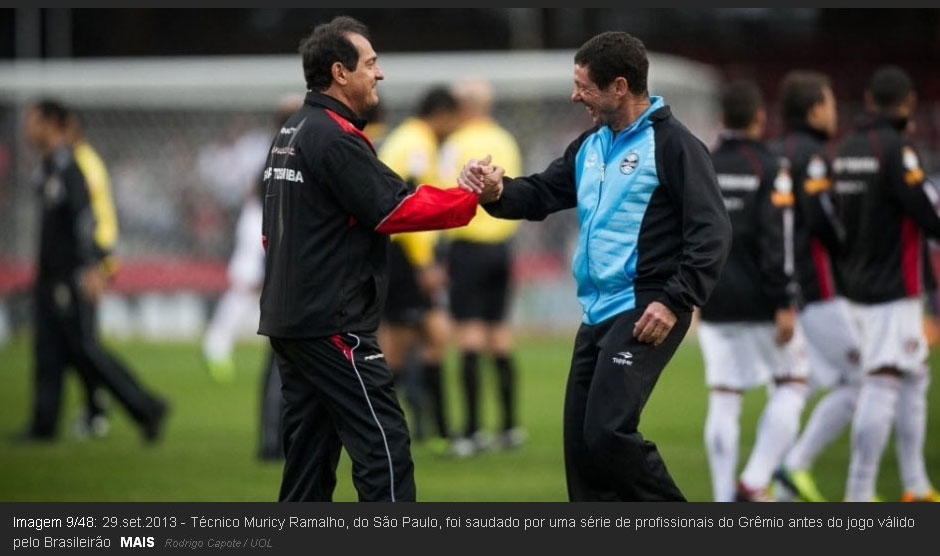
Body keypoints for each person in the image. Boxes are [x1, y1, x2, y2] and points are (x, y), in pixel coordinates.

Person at [459, 31, 731, 501]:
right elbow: (542, 193)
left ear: (619, 87)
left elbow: (712, 232)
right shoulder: (591, 145)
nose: (574, 94)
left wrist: (675, 299)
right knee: (582, 454)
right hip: (597, 312)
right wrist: (496, 192)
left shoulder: (674, 146)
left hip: (646, 308)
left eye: (583, 85)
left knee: (607, 434)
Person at [258, 16, 498, 502]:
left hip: (291, 318)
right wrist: (470, 197)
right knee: (383, 445)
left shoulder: (292, 130)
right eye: (370, 63)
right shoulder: (334, 138)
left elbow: (272, 235)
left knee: (308, 460)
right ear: (340, 73)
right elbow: (397, 208)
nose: (379, 74)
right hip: (331, 322)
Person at [19, 99, 168, 442]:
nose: (26, 127)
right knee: (49, 351)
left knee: (85, 349)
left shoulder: (72, 167)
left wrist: (91, 266)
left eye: (32, 120)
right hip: (50, 276)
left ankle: (146, 407)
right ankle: (44, 425)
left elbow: (86, 218)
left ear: (52, 123)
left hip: (71, 276)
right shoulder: (47, 167)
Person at [698, 81, 808, 502]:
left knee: (725, 396)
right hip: (762, 298)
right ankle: (754, 482)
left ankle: (725, 500)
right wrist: (785, 300)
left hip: (712, 294)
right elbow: (776, 238)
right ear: (760, 118)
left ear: (722, 119)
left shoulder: (702, 162)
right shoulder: (769, 165)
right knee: (793, 381)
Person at [834, 66, 939, 502]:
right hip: (892, 286)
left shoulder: (846, 149)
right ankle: (859, 493)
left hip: (855, 282)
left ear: (871, 101)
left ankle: (916, 484)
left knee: (915, 375)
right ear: (909, 102)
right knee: (882, 379)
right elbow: (926, 212)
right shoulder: (898, 150)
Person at [767, 71, 863, 502]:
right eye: (829, 103)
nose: (834, 111)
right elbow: (824, 218)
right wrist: (854, 251)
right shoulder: (814, 157)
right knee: (860, 379)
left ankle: (774, 489)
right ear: (814, 110)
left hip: (775, 292)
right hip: (816, 289)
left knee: (790, 385)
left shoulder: (771, 155)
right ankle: (795, 466)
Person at [438, 78, 525, 456]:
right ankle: (508, 427)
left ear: (465, 106)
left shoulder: (457, 142)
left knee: (470, 337)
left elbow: (444, 189)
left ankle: (472, 431)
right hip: (503, 246)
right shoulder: (506, 139)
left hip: (469, 247)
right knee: (501, 336)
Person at [377, 87, 460, 448]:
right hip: (403, 256)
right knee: (395, 349)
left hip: (407, 255)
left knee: (435, 336)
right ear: (441, 114)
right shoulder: (416, 142)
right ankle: (378, 426)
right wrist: (425, 264)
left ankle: (434, 430)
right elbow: (406, 204)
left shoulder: (411, 138)